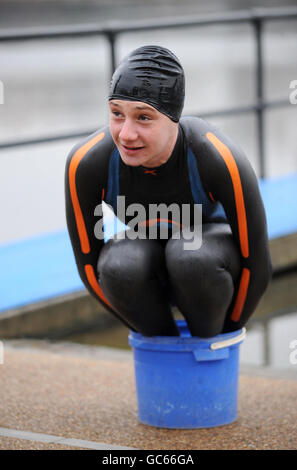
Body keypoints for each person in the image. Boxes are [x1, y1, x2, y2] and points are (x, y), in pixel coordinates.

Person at [65, 45, 272, 338]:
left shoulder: (216, 157)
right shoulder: (87, 163)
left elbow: (258, 266)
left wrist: (223, 336)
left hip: (211, 264)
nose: (125, 134)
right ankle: (164, 355)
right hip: (148, 263)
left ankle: (204, 356)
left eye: (144, 117)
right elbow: (89, 269)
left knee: (189, 255)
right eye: (116, 113)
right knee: (118, 265)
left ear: (173, 117)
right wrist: (156, 339)